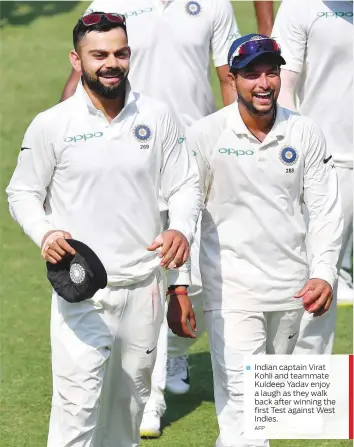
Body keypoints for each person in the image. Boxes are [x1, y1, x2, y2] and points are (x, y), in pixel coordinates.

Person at [6, 13, 201, 447]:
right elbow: (21, 192)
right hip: (82, 291)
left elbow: (185, 183)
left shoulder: (157, 115)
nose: (111, 63)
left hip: (144, 289)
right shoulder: (52, 124)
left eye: (120, 52)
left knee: (127, 412)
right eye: (99, 55)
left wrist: (182, 229)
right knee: (76, 411)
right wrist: (46, 233)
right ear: (76, 60)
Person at [61, 0, 241, 438]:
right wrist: (65, 144)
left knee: (189, 281)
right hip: (131, 157)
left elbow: (227, 77)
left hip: (193, 156)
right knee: (148, 276)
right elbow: (80, 78)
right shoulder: (108, 5)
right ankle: (151, 399)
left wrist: (238, 147)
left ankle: (175, 351)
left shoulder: (215, 5)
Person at [168, 34, 343, 447]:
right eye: (252, 74)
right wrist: (180, 284)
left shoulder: (305, 132)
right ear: (232, 79)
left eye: (272, 72)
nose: (264, 83)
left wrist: (324, 274)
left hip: (292, 291)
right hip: (232, 293)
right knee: (245, 416)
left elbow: (325, 211)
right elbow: (186, 211)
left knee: (265, 417)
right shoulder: (205, 135)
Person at [272, 0, 353, 354]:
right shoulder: (300, 6)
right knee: (318, 275)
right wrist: (296, 156)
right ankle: (301, 394)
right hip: (330, 162)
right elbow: (283, 87)